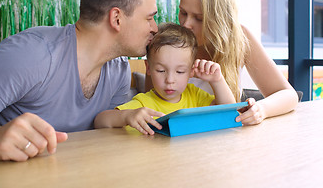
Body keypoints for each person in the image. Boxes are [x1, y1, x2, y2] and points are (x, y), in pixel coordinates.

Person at [0, 0, 158, 161]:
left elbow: (108, 134)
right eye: (149, 18)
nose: (155, 28)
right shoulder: (32, 54)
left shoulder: (119, 69)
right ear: (116, 19)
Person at [146, 0, 298, 126]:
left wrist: (261, 110)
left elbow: (289, 95)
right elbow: (150, 100)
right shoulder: (167, 44)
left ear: (219, 19)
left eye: (199, 18)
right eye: (183, 12)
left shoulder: (239, 38)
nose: (186, 24)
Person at [94, 23, 236, 135]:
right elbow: (100, 120)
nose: (170, 80)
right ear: (148, 68)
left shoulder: (194, 95)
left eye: (180, 71)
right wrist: (127, 116)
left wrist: (217, 81)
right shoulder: (144, 103)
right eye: (161, 70)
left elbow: (229, 112)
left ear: (191, 71)